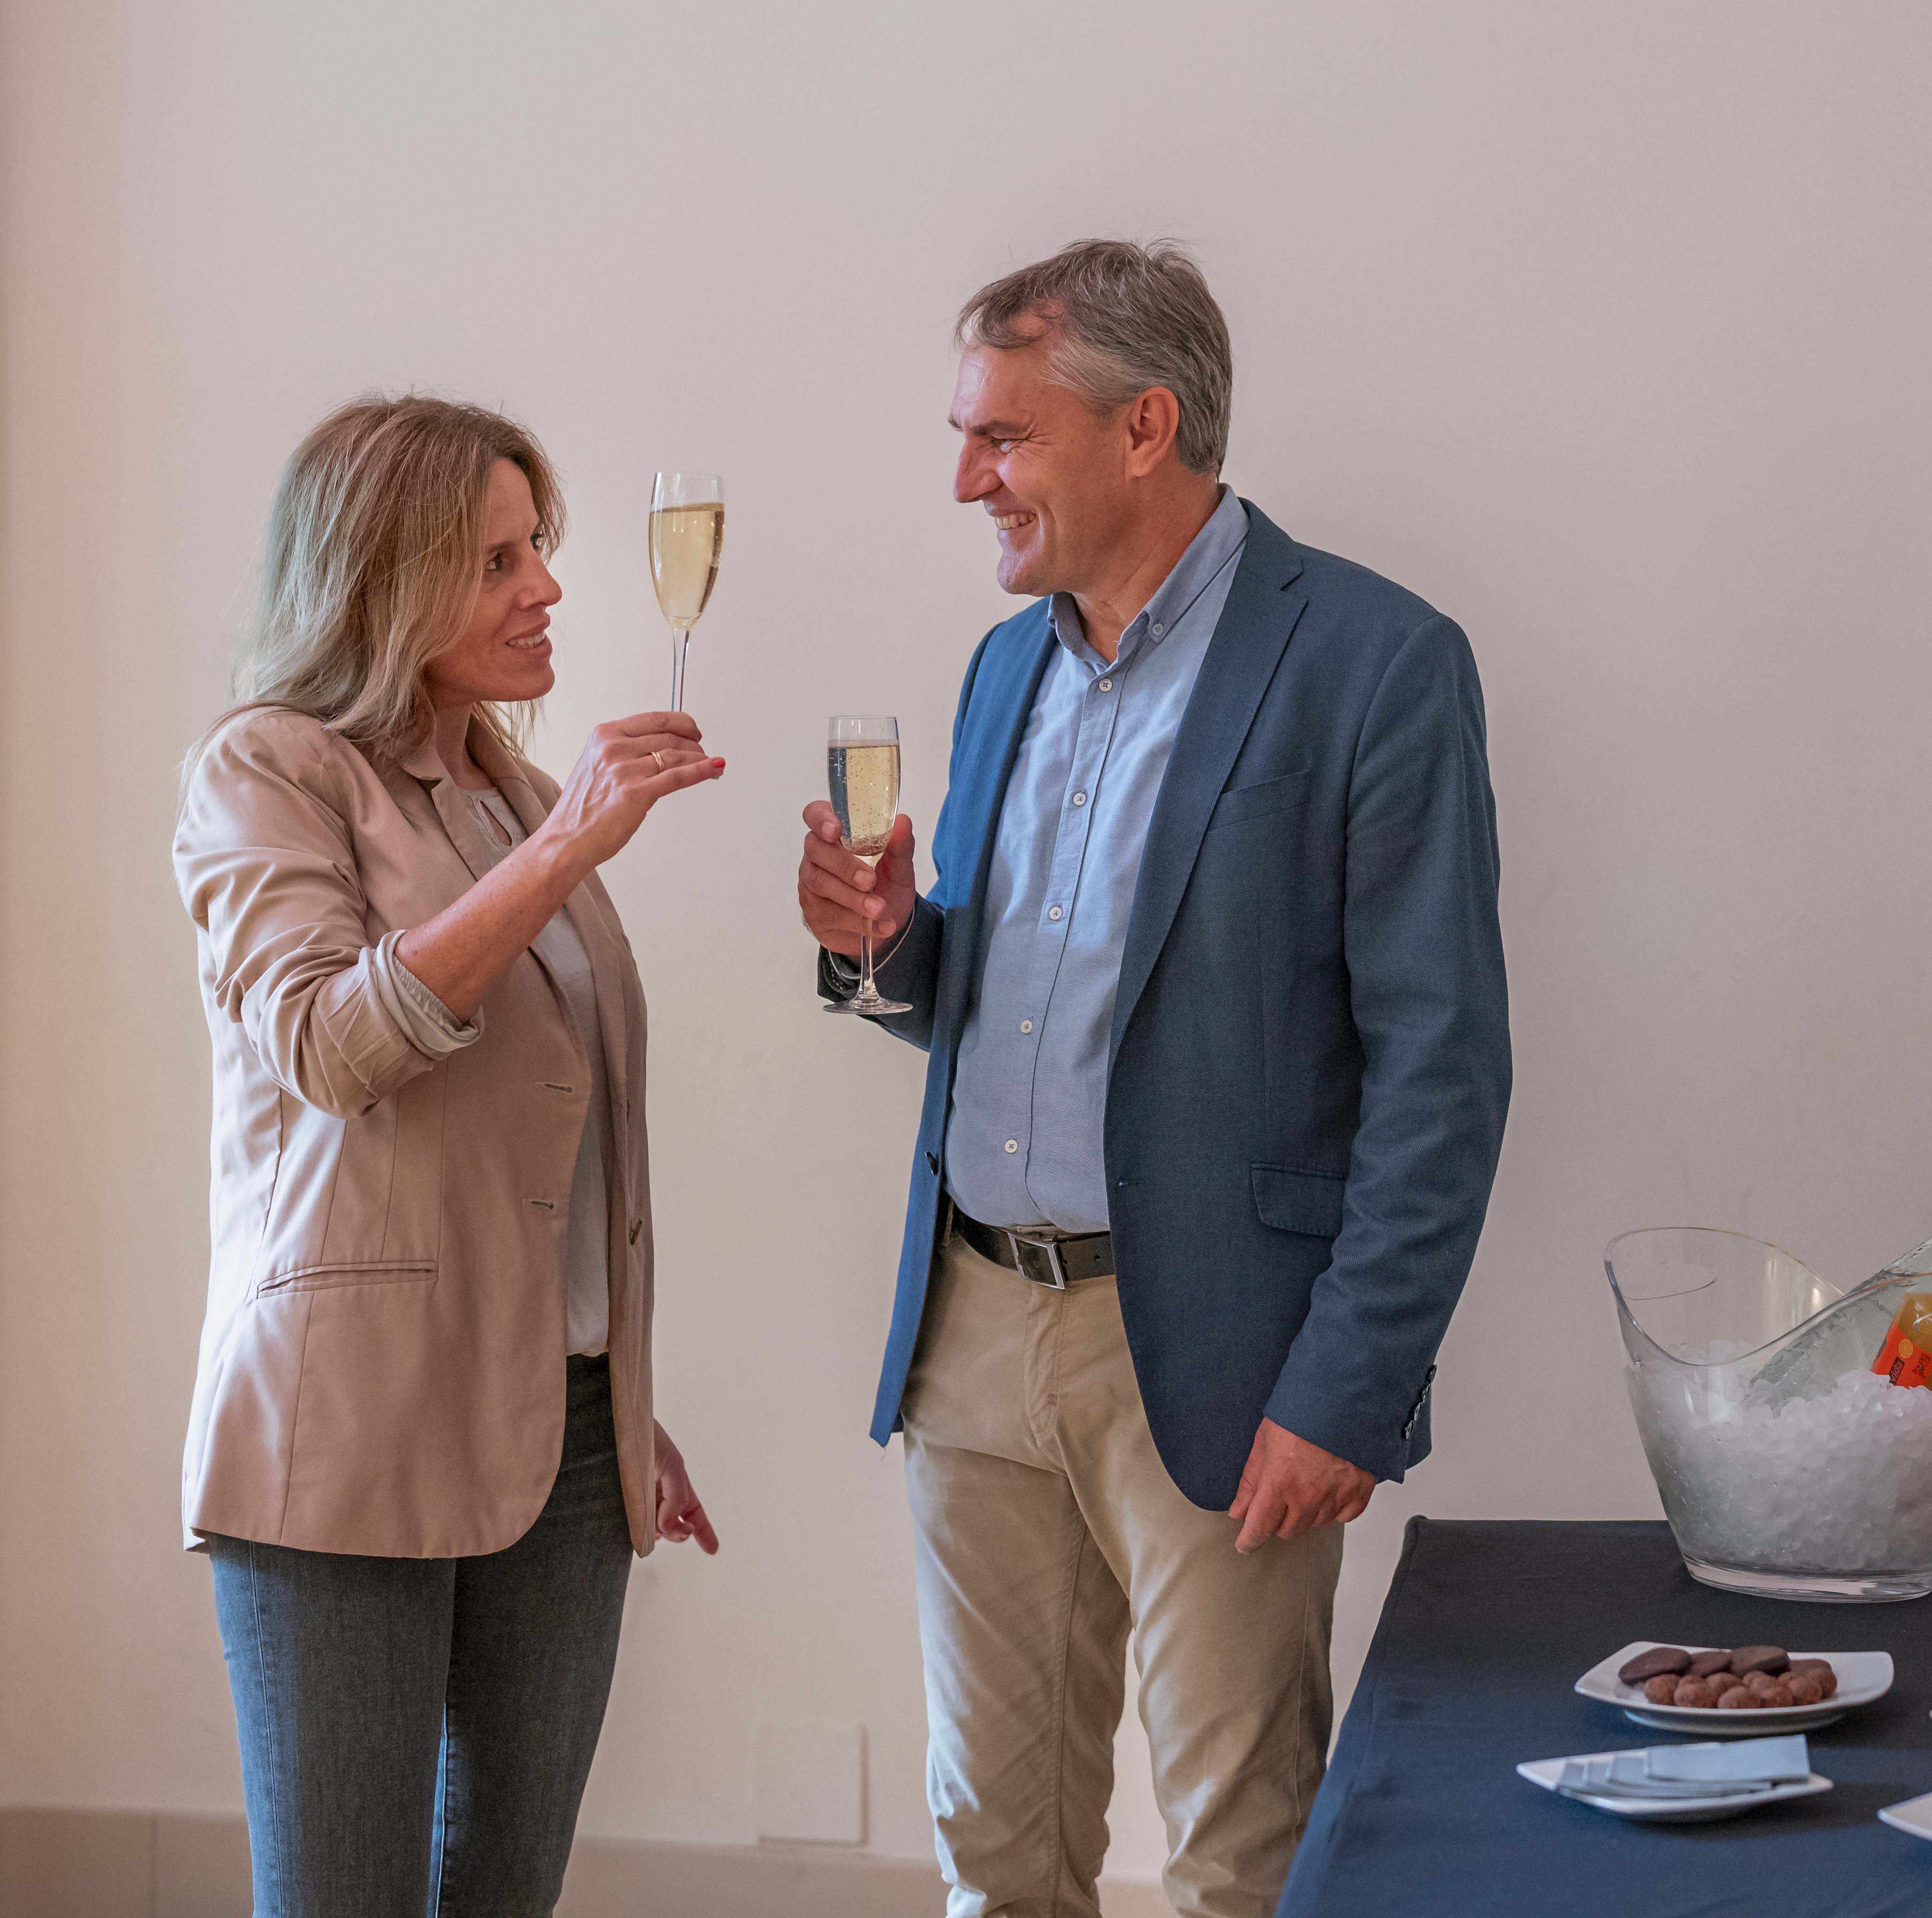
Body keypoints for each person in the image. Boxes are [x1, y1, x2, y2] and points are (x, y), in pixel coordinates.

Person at [791, 240, 1509, 1918]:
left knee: (1236, 1862)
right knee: (992, 1854)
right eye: (966, 437)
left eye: (1002, 438)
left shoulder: (1374, 661)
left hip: (1218, 1350)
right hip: (974, 1333)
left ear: (1144, 428)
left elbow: (1442, 1068)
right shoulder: (1005, 667)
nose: (966, 480)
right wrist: (888, 946)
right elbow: (1002, 1001)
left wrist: (1348, 1387)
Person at [174, 395, 726, 1917]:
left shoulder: (516, 793)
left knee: (504, 1895)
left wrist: (613, 1378)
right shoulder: (267, 771)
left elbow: (550, 1137)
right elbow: (332, 1049)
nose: (545, 585)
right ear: (382, 580)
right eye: (496, 561)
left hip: (568, 1437)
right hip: (347, 1435)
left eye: (536, 546)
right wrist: (564, 854)